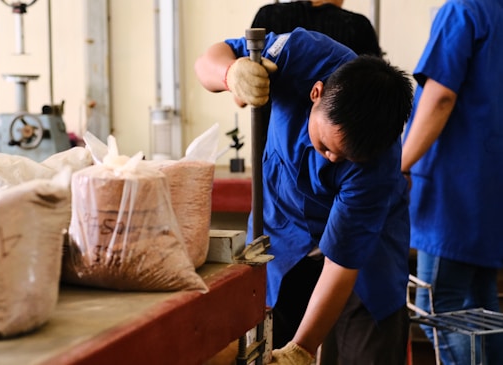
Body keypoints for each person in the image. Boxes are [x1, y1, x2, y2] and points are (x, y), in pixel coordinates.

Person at [195, 27, 413, 364]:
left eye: (346, 159)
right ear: (316, 93)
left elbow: (342, 260)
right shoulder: (299, 54)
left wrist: (304, 349)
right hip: (282, 235)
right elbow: (209, 60)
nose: (331, 159)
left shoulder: (377, 167)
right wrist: (230, 73)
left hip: (366, 258)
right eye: (326, 146)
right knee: (263, 345)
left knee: (364, 351)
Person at [401, 0, 503, 363]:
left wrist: (399, 163)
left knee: (439, 307)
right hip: (489, 188)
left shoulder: (463, 10)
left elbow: (440, 96)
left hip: (455, 189)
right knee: (482, 307)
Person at [251, 0, 381, 57]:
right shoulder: (358, 25)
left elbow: (240, 99)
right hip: (337, 113)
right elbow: (376, 91)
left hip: (269, 114)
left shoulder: (267, 15)